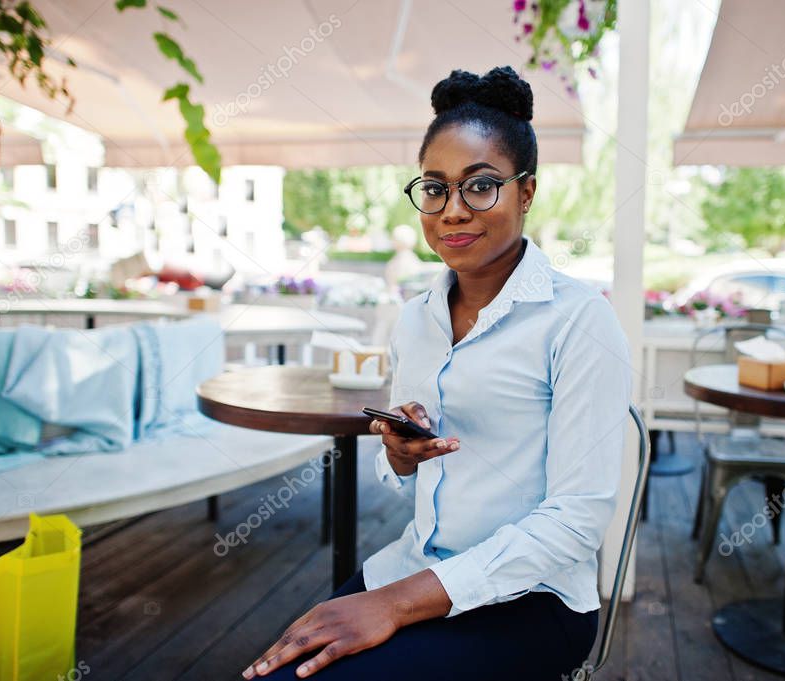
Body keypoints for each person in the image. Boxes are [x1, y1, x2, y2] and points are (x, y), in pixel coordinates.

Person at [242, 65, 632, 681]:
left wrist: (393, 604)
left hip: (532, 598)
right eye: (435, 188)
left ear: (526, 193)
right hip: (416, 561)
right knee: (289, 667)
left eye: (481, 186)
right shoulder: (415, 320)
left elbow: (576, 522)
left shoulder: (579, 321)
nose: (452, 211)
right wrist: (400, 455)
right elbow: (399, 471)